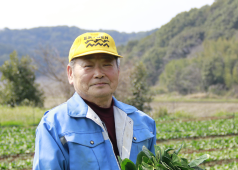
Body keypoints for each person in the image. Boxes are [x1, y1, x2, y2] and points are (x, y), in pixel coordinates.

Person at [33, 32, 156, 170]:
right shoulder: (53, 126)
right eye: (88, 66)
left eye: (107, 64)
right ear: (70, 73)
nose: (99, 74)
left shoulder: (144, 123)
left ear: (118, 70)